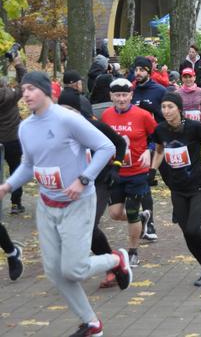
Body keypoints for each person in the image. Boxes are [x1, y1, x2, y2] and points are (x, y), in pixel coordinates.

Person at [0, 72, 132, 337]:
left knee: (74, 268)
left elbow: (106, 147)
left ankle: (117, 259)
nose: (25, 94)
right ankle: (92, 324)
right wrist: (7, 186)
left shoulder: (67, 119)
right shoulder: (26, 127)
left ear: (46, 91)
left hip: (78, 202)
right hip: (47, 205)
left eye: (30, 89)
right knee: (55, 272)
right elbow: (28, 165)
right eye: (22, 89)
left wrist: (84, 179)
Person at [151, 92, 201, 286]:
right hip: (177, 188)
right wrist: (152, 170)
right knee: (187, 233)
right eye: (164, 107)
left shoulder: (193, 127)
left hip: (198, 185)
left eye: (170, 107)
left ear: (179, 109)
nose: (166, 111)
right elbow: (160, 150)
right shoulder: (160, 129)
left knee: (193, 229)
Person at [58, 90, 127, 289]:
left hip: (101, 182)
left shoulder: (94, 126)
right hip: (75, 184)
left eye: (70, 109)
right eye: (61, 110)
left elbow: (119, 143)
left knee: (88, 226)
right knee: (78, 228)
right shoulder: (59, 130)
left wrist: (116, 166)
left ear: (78, 111)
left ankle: (112, 264)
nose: (66, 114)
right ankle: (112, 262)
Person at [102, 78, 158, 266]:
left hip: (137, 172)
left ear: (131, 95)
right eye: (117, 95)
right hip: (116, 172)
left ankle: (133, 251)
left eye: (125, 95)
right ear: (111, 96)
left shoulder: (142, 115)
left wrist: (148, 151)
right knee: (115, 213)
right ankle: (143, 218)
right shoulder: (106, 116)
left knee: (132, 212)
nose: (121, 99)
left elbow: (157, 137)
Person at [131, 56, 166, 240]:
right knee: (143, 183)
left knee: (158, 180)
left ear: (148, 71)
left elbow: (169, 114)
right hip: (138, 145)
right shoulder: (131, 91)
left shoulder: (159, 91)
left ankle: (151, 222)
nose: (138, 73)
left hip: (156, 143)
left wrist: (154, 112)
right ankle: (148, 223)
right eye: (136, 69)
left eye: (142, 70)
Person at [0, 59, 26, 214]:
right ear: (4, 84)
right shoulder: (12, 95)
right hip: (13, 140)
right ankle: (16, 203)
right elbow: (24, 82)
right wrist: (18, 65)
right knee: (16, 170)